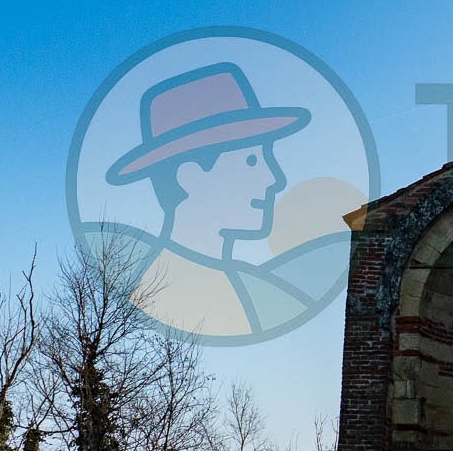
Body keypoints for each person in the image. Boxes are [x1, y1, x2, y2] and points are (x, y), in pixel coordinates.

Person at [89, 62, 347, 341]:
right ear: (189, 175)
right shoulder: (162, 297)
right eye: (252, 160)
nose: (275, 178)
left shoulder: (248, 289)